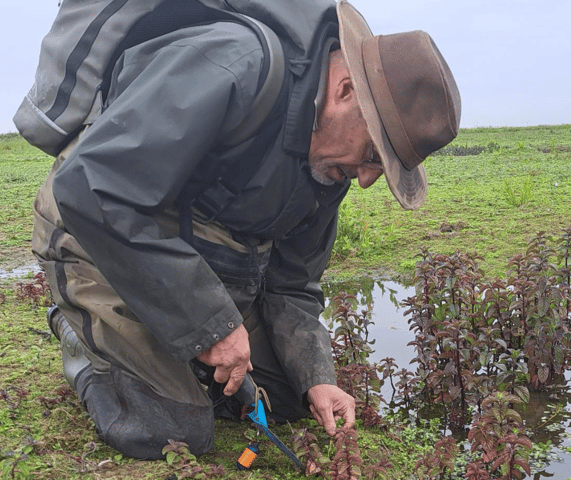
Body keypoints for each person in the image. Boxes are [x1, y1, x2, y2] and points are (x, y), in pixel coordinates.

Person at [31, 0, 460, 460]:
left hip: (197, 262)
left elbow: (293, 286)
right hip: (97, 239)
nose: (370, 179)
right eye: (376, 154)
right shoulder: (234, 63)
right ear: (345, 89)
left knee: (291, 399)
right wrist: (211, 326)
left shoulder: (332, 167)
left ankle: (171, 344)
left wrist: (318, 378)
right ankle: (80, 333)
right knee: (171, 432)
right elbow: (93, 188)